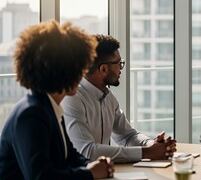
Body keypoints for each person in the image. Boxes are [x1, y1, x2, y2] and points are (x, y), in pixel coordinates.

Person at [0, 20, 114, 179]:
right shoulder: (31, 115)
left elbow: (71, 156)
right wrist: (89, 173)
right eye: (79, 69)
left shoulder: (48, 107)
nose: (82, 75)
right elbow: (42, 177)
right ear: (64, 71)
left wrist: (91, 164)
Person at [61, 34, 177, 163]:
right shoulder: (72, 98)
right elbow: (86, 151)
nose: (121, 69)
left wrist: (152, 145)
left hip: (104, 172)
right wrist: (147, 152)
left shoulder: (108, 97)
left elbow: (127, 136)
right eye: (119, 64)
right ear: (104, 69)